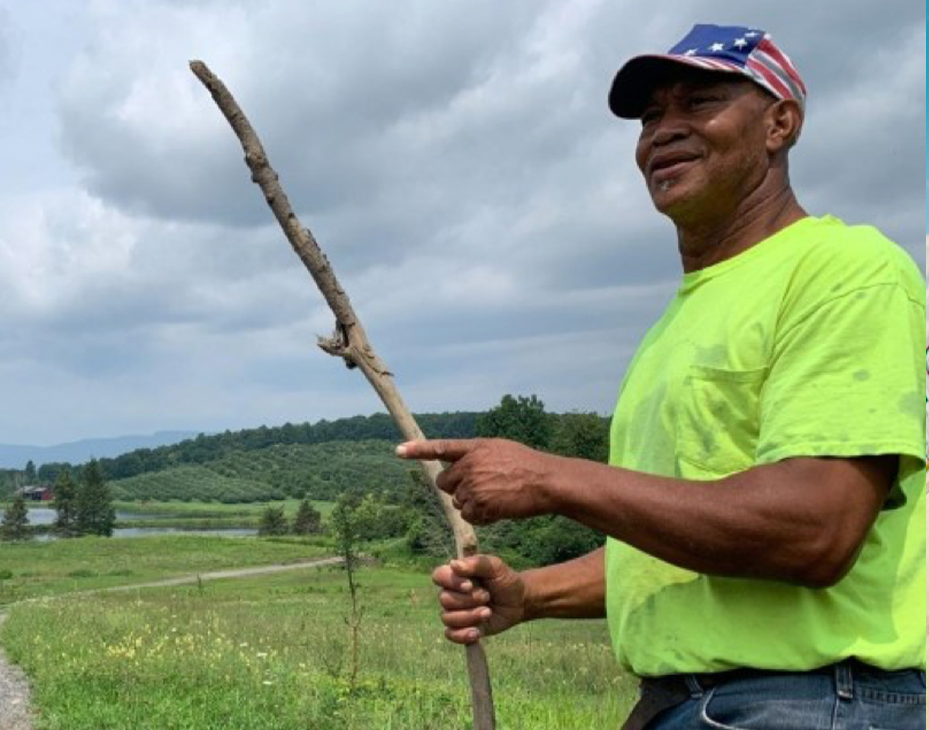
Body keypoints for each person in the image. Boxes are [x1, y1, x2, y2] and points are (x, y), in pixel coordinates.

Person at [396, 23, 926, 730]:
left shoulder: (847, 270)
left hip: (802, 702)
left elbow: (814, 529)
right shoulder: (676, 324)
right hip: (695, 705)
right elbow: (678, 549)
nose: (661, 133)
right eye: (650, 118)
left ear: (780, 122)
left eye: (698, 102)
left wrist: (553, 478)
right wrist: (531, 594)